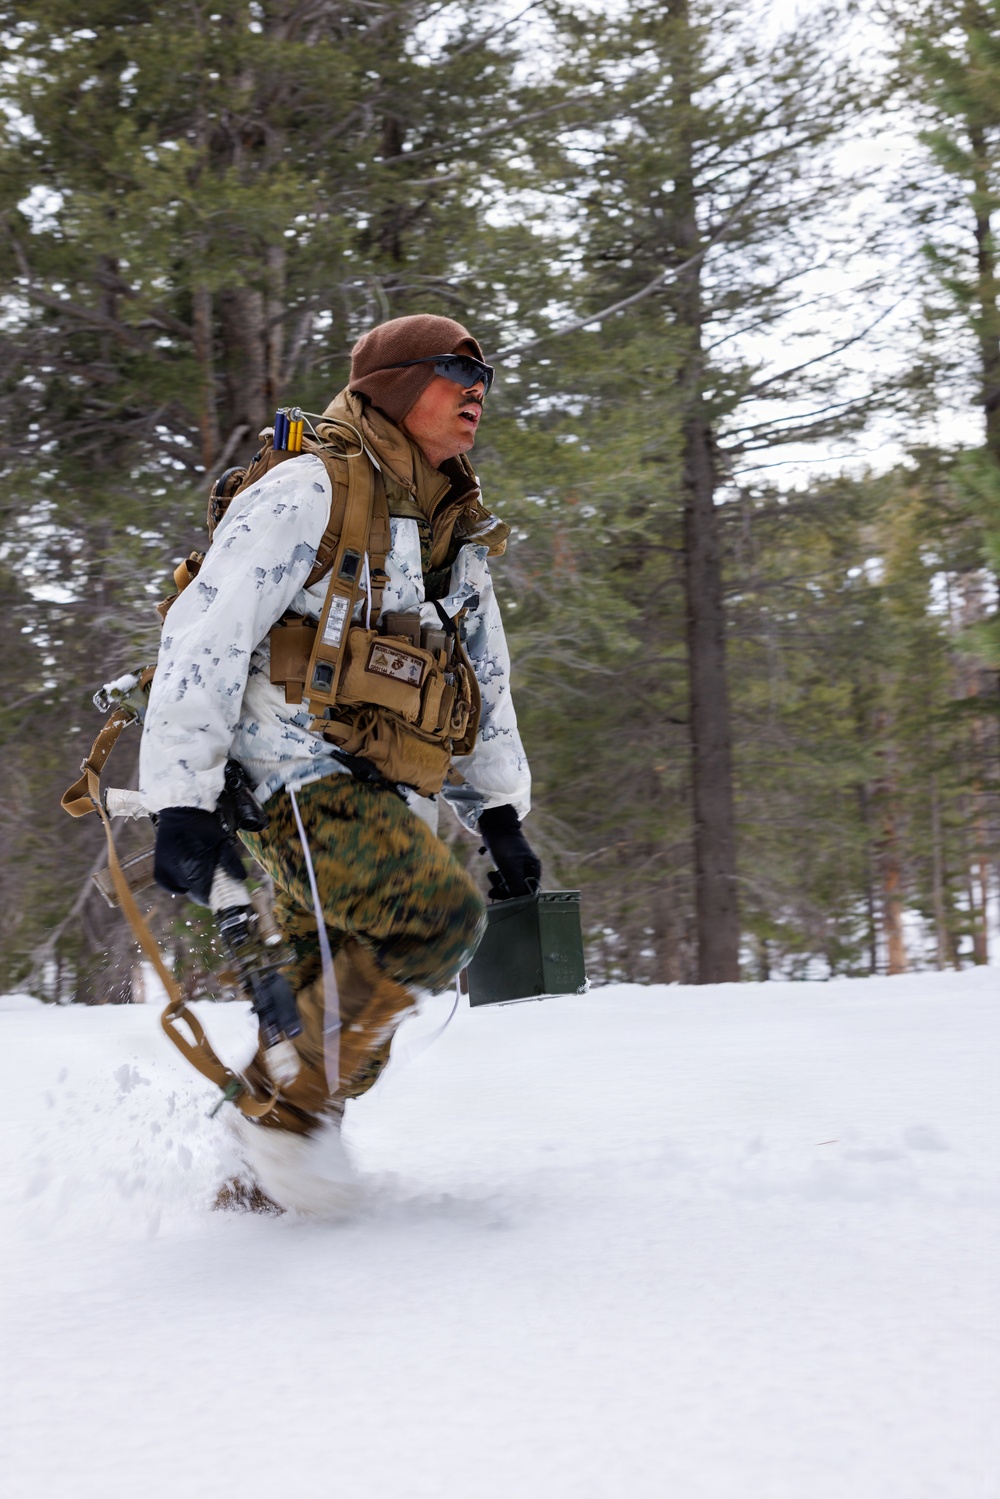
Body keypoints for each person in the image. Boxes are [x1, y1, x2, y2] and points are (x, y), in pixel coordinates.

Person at [139, 314, 540, 1209]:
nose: (476, 388)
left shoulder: (453, 531)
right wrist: (181, 798)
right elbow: (204, 636)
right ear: (395, 385)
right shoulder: (308, 491)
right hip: (290, 782)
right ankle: (279, 1132)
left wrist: (499, 811)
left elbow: (484, 681)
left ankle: (256, 1196)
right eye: (452, 369)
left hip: (393, 791)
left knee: (347, 1030)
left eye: (484, 373)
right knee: (435, 920)